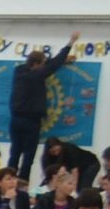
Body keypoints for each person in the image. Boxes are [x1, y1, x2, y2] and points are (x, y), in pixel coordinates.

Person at [8, 31, 80, 178]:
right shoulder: (38, 75)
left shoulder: (19, 71)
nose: (43, 66)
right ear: (36, 65)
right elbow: (53, 64)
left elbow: (47, 64)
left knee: (14, 153)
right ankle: (23, 183)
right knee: (28, 156)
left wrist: (60, 61)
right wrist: (71, 42)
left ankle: (8, 180)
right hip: (31, 121)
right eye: (41, 63)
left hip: (15, 120)